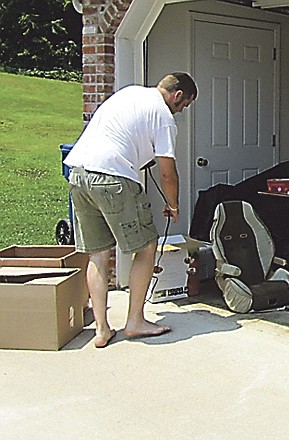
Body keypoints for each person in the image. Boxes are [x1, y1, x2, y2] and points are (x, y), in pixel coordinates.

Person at [65, 72, 197, 348]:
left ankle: (102, 329)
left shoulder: (129, 93)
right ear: (178, 95)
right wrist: (173, 205)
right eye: (184, 105)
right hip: (114, 179)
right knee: (147, 247)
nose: (182, 110)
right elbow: (167, 173)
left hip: (78, 174)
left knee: (98, 255)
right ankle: (135, 321)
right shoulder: (163, 115)